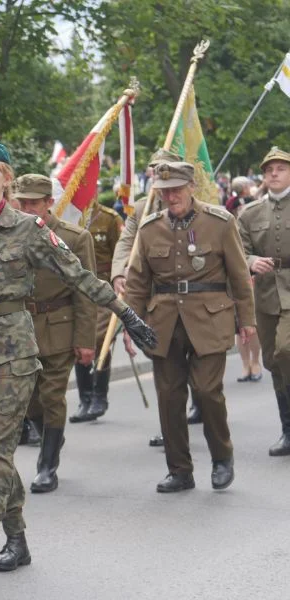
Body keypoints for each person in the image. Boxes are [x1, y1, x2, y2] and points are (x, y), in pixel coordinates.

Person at [0, 140, 156, 576]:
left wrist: (126, 313)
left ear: (6, 179)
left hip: (15, 349)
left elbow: (80, 276)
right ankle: (18, 540)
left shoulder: (29, 229)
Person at [124, 161, 255, 493]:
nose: (171, 197)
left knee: (208, 392)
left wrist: (247, 321)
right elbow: (138, 283)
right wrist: (131, 324)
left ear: (191, 187)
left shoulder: (220, 223)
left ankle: (222, 458)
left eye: (177, 189)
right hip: (164, 323)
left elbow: (240, 278)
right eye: (165, 192)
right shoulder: (150, 227)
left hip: (210, 319)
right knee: (169, 397)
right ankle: (180, 469)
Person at [110, 148, 203, 445]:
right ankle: (172, 426)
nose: (157, 178)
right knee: (166, 366)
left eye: (163, 170)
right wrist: (119, 273)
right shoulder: (141, 208)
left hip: (193, 298)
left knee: (198, 367)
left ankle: (200, 401)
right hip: (157, 297)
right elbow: (126, 243)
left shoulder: (197, 206)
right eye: (153, 172)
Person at [13, 174, 97, 493]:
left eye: (33, 203)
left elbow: (86, 291)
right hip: (20, 329)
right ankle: (52, 432)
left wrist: (86, 340)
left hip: (59, 327)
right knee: (29, 401)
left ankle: (47, 466)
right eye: (22, 203)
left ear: (49, 203)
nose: (26, 208)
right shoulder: (8, 235)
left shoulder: (74, 238)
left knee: (51, 395)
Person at [237, 146, 290, 456]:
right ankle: (287, 429)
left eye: (281, 168)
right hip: (267, 294)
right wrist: (251, 260)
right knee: (272, 361)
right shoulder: (251, 213)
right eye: (269, 169)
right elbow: (237, 252)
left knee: (286, 350)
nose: (274, 173)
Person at [71, 197, 123, 423]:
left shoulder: (109, 219)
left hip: (102, 289)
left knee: (99, 339)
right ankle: (85, 398)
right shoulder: (68, 215)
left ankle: (99, 397)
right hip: (75, 289)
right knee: (78, 340)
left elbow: (119, 255)